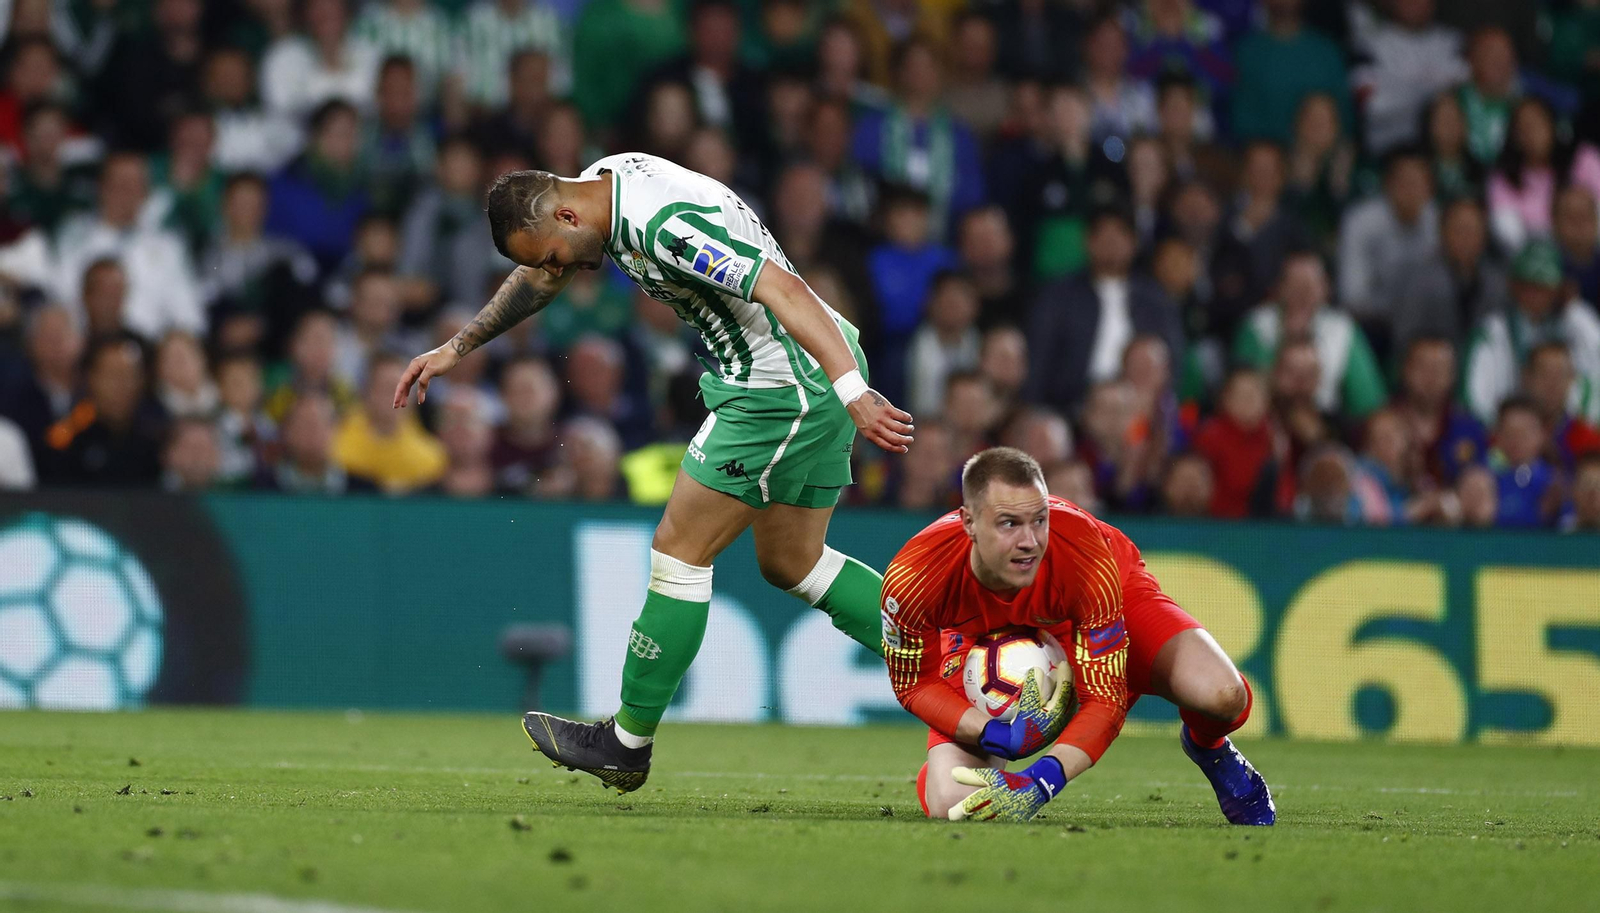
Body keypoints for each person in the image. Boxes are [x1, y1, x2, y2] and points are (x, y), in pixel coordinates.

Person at [392, 152, 913, 792]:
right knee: (792, 562)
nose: (559, 270)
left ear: (564, 212)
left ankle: (626, 741)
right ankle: (952, 662)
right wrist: (457, 348)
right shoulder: (602, 187)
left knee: (679, 550)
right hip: (800, 368)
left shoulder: (662, 227)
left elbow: (782, 288)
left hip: (784, 381)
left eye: (552, 252)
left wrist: (852, 389)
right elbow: (539, 280)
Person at [882, 447, 1273, 825]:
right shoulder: (915, 578)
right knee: (954, 804)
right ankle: (946, 768)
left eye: (1039, 520)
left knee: (1224, 696)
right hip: (984, 636)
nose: (1029, 542)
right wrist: (993, 733)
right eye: (1008, 523)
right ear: (969, 522)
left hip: (1106, 606)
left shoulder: (1082, 549)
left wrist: (1044, 779)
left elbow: (1106, 697)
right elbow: (915, 685)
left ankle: (1210, 748)